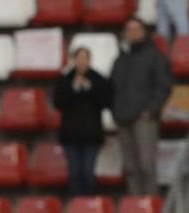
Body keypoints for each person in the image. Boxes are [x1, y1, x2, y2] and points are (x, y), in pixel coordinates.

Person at [112, 19, 171, 197]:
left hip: (144, 117)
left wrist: (151, 110)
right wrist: (115, 110)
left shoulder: (155, 56)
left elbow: (164, 86)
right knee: (131, 167)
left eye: (137, 29)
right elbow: (113, 86)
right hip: (123, 117)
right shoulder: (121, 59)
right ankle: (136, 207)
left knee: (146, 164)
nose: (133, 33)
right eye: (129, 30)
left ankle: (151, 204)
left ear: (144, 32)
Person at [53, 44, 111, 198]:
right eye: (79, 58)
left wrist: (90, 88)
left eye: (85, 58)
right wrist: (73, 88)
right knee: (75, 174)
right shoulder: (65, 80)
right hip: (70, 137)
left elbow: (106, 101)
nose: (82, 62)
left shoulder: (98, 79)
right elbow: (58, 103)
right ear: (73, 60)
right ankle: (77, 209)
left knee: (88, 174)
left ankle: (89, 206)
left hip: (91, 135)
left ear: (90, 60)